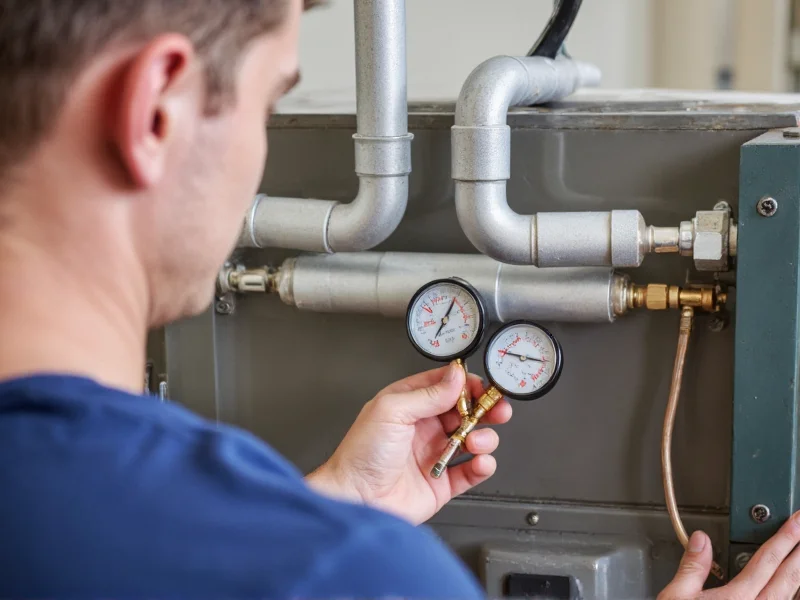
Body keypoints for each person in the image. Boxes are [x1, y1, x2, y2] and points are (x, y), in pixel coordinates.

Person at [0, 0, 799, 597]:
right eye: (266, 105)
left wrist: (329, 504)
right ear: (156, 111)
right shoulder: (358, 577)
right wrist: (321, 539)